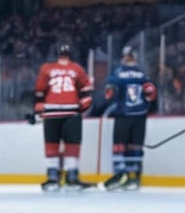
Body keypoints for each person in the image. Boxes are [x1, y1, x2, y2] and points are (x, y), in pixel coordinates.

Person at [28, 42, 94, 191]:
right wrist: (83, 104)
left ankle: (53, 177)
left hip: (51, 112)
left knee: (51, 145)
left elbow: (39, 92)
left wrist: (38, 111)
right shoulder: (76, 68)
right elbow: (86, 91)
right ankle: (72, 177)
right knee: (72, 145)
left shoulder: (46, 68)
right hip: (71, 111)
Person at [101, 45, 157, 191]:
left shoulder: (117, 74)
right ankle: (134, 177)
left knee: (119, 145)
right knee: (136, 146)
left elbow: (109, 95)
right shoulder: (143, 75)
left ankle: (120, 174)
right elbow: (151, 95)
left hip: (123, 115)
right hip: (139, 114)